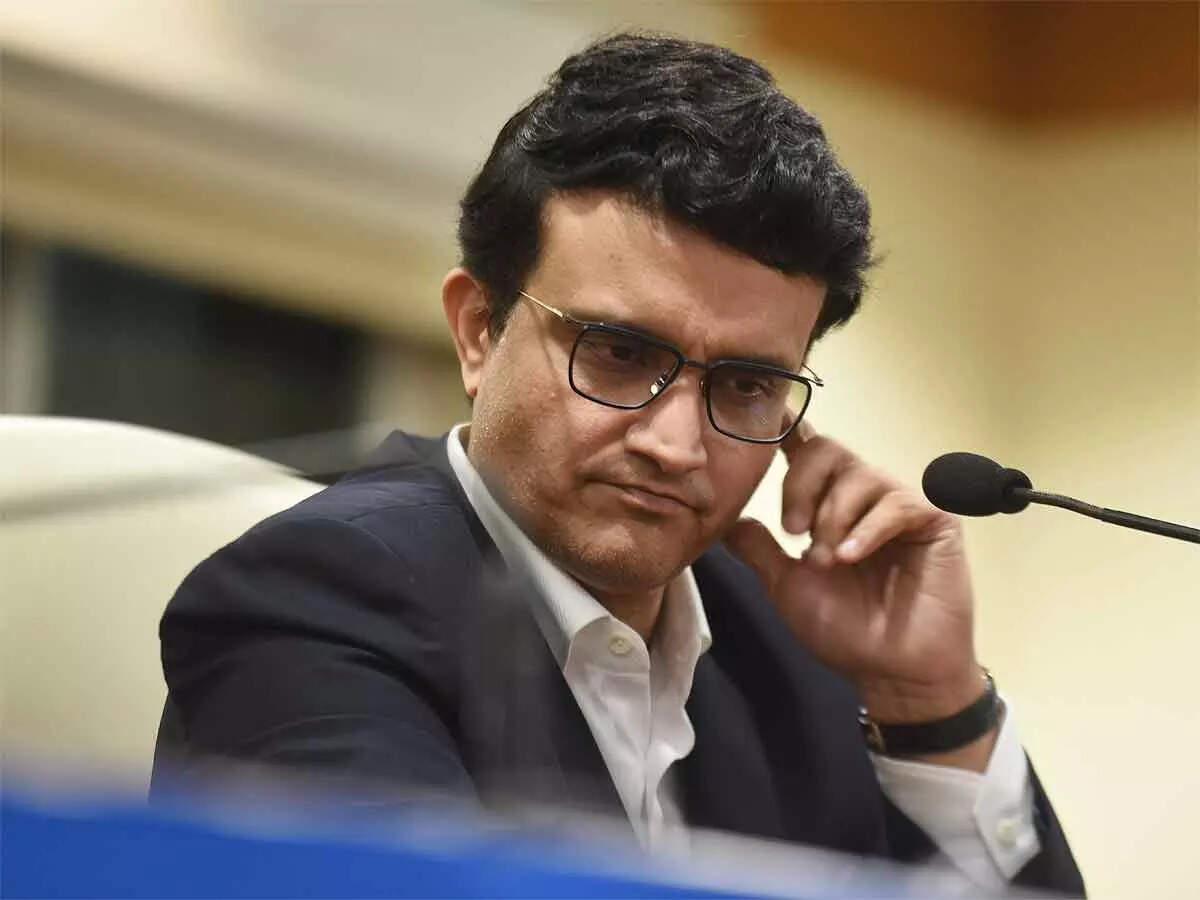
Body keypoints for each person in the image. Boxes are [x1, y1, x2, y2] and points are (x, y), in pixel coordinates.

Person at [153, 33, 1084, 894]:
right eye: (619, 353)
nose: (675, 445)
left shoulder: (797, 647)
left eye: (747, 385)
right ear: (478, 332)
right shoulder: (316, 598)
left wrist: (930, 705)